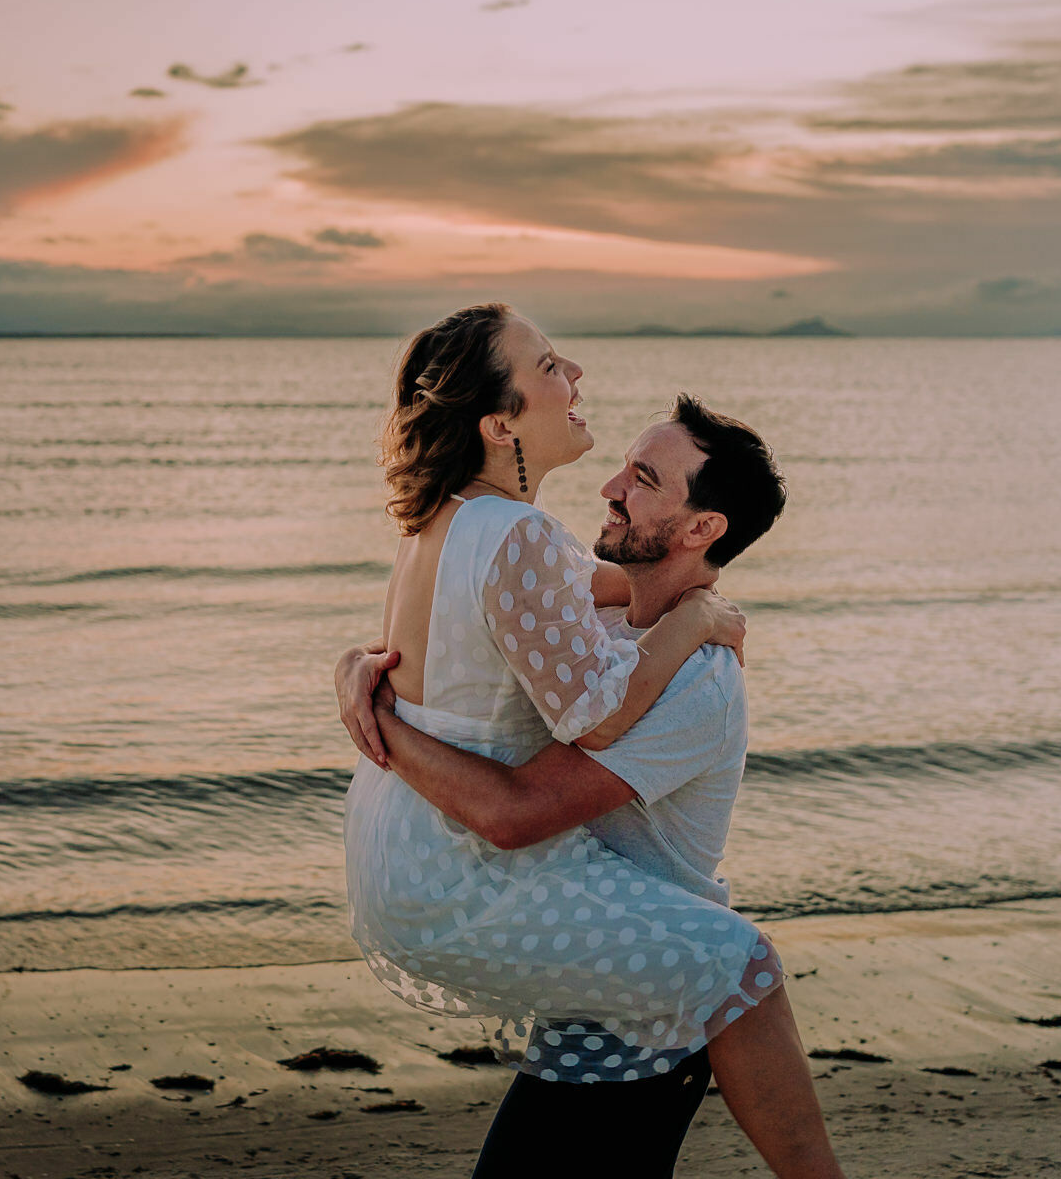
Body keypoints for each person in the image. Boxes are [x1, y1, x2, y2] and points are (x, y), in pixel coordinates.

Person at [338, 302, 843, 1178]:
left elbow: (584, 587)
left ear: (702, 528)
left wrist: (360, 684)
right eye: (547, 366)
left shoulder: (453, 521)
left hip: (402, 844)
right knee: (743, 966)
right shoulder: (521, 535)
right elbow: (598, 717)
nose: (573, 375)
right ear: (500, 424)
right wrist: (691, 620)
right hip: (466, 863)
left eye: (641, 478)